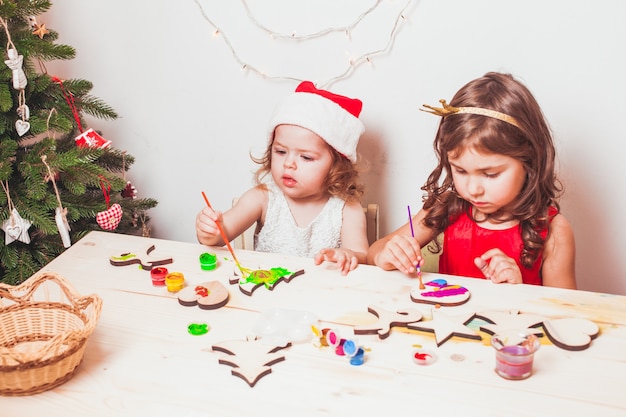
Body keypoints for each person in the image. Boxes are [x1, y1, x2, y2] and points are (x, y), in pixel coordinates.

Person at [367, 72, 576, 289]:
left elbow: (566, 313)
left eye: (490, 174)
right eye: (460, 171)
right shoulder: (446, 207)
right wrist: (387, 254)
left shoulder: (554, 230)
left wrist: (519, 289)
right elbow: (373, 253)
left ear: (529, 161)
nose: (473, 189)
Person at [196, 81, 369, 275]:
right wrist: (210, 230)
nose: (289, 164)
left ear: (337, 167)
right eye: (280, 151)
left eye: (305, 157)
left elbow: (362, 255)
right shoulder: (261, 198)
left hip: (323, 297)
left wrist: (348, 255)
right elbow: (221, 235)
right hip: (266, 295)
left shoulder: (347, 209)